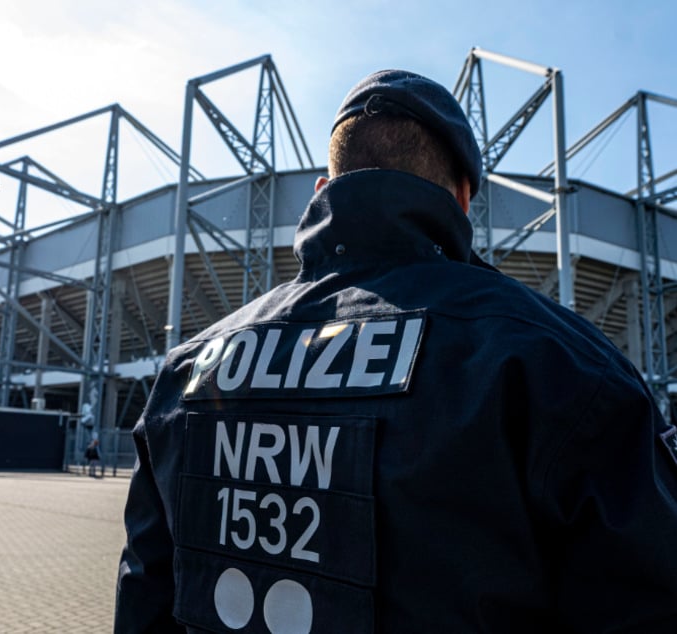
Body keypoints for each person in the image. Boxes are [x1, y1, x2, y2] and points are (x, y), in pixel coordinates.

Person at [115, 70, 677, 632]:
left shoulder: (187, 371)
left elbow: (144, 596)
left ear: (321, 191)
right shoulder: (558, 367)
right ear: (461, 198)